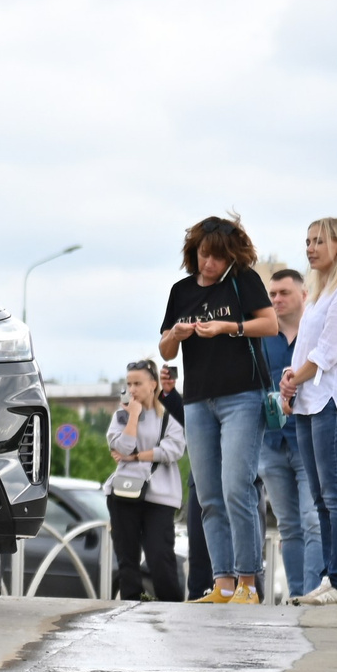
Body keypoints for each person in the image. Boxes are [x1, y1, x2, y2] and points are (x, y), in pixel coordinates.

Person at [157, 215, 278, 604]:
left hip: (243, 396)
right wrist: (175, 334)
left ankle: (249, 583)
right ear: (194, 252)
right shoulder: (181, 291)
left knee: (236, 488)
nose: (210, 264)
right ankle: (222, 582)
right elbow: (165, 350)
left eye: (219, 258)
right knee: (207, 493)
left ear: (232, 257)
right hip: (197, 400)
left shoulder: (244, 281)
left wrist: (230, 328)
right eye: (205, 256)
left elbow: (270, 324)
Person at [282, 219, 337, 604]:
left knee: (336, 495)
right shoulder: (318, 294)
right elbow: (305, 351)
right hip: (308, 403)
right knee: (320, 499)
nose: (311, 248)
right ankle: (330, 580)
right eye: (308, 241)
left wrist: (296, 378)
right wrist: (290, 380)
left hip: (331, 402)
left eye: (319, 241)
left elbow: (328, 352)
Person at [257, 267, 322, 601]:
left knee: (313, 522)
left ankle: (311, 595)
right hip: (271, 444)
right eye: (272, 294)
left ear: (303, 294)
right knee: (289, 526)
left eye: (284, 293)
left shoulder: (317, 334)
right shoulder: (263, 340)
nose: (277, 300)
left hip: (309, 440)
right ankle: (297, 596)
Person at [104, 360, 186, 601]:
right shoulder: (122, 415)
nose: (132, 389)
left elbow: (175, 449)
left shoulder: (168, 416)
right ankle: (131, 604)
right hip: (122, 493)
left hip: (160, 495)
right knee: (127, 557)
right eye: (129, 384)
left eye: (138, 383)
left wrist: (137, 456)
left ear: (152, 384)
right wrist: (133, 417)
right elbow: (119, 446)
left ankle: (172, 605)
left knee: (160, 556)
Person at [160, 361, 210, 585]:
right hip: (200, 481)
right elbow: (189, 420)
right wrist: (170, 393)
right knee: (198, 551)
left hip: (236, 483)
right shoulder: (198, 392)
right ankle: (198, 598)